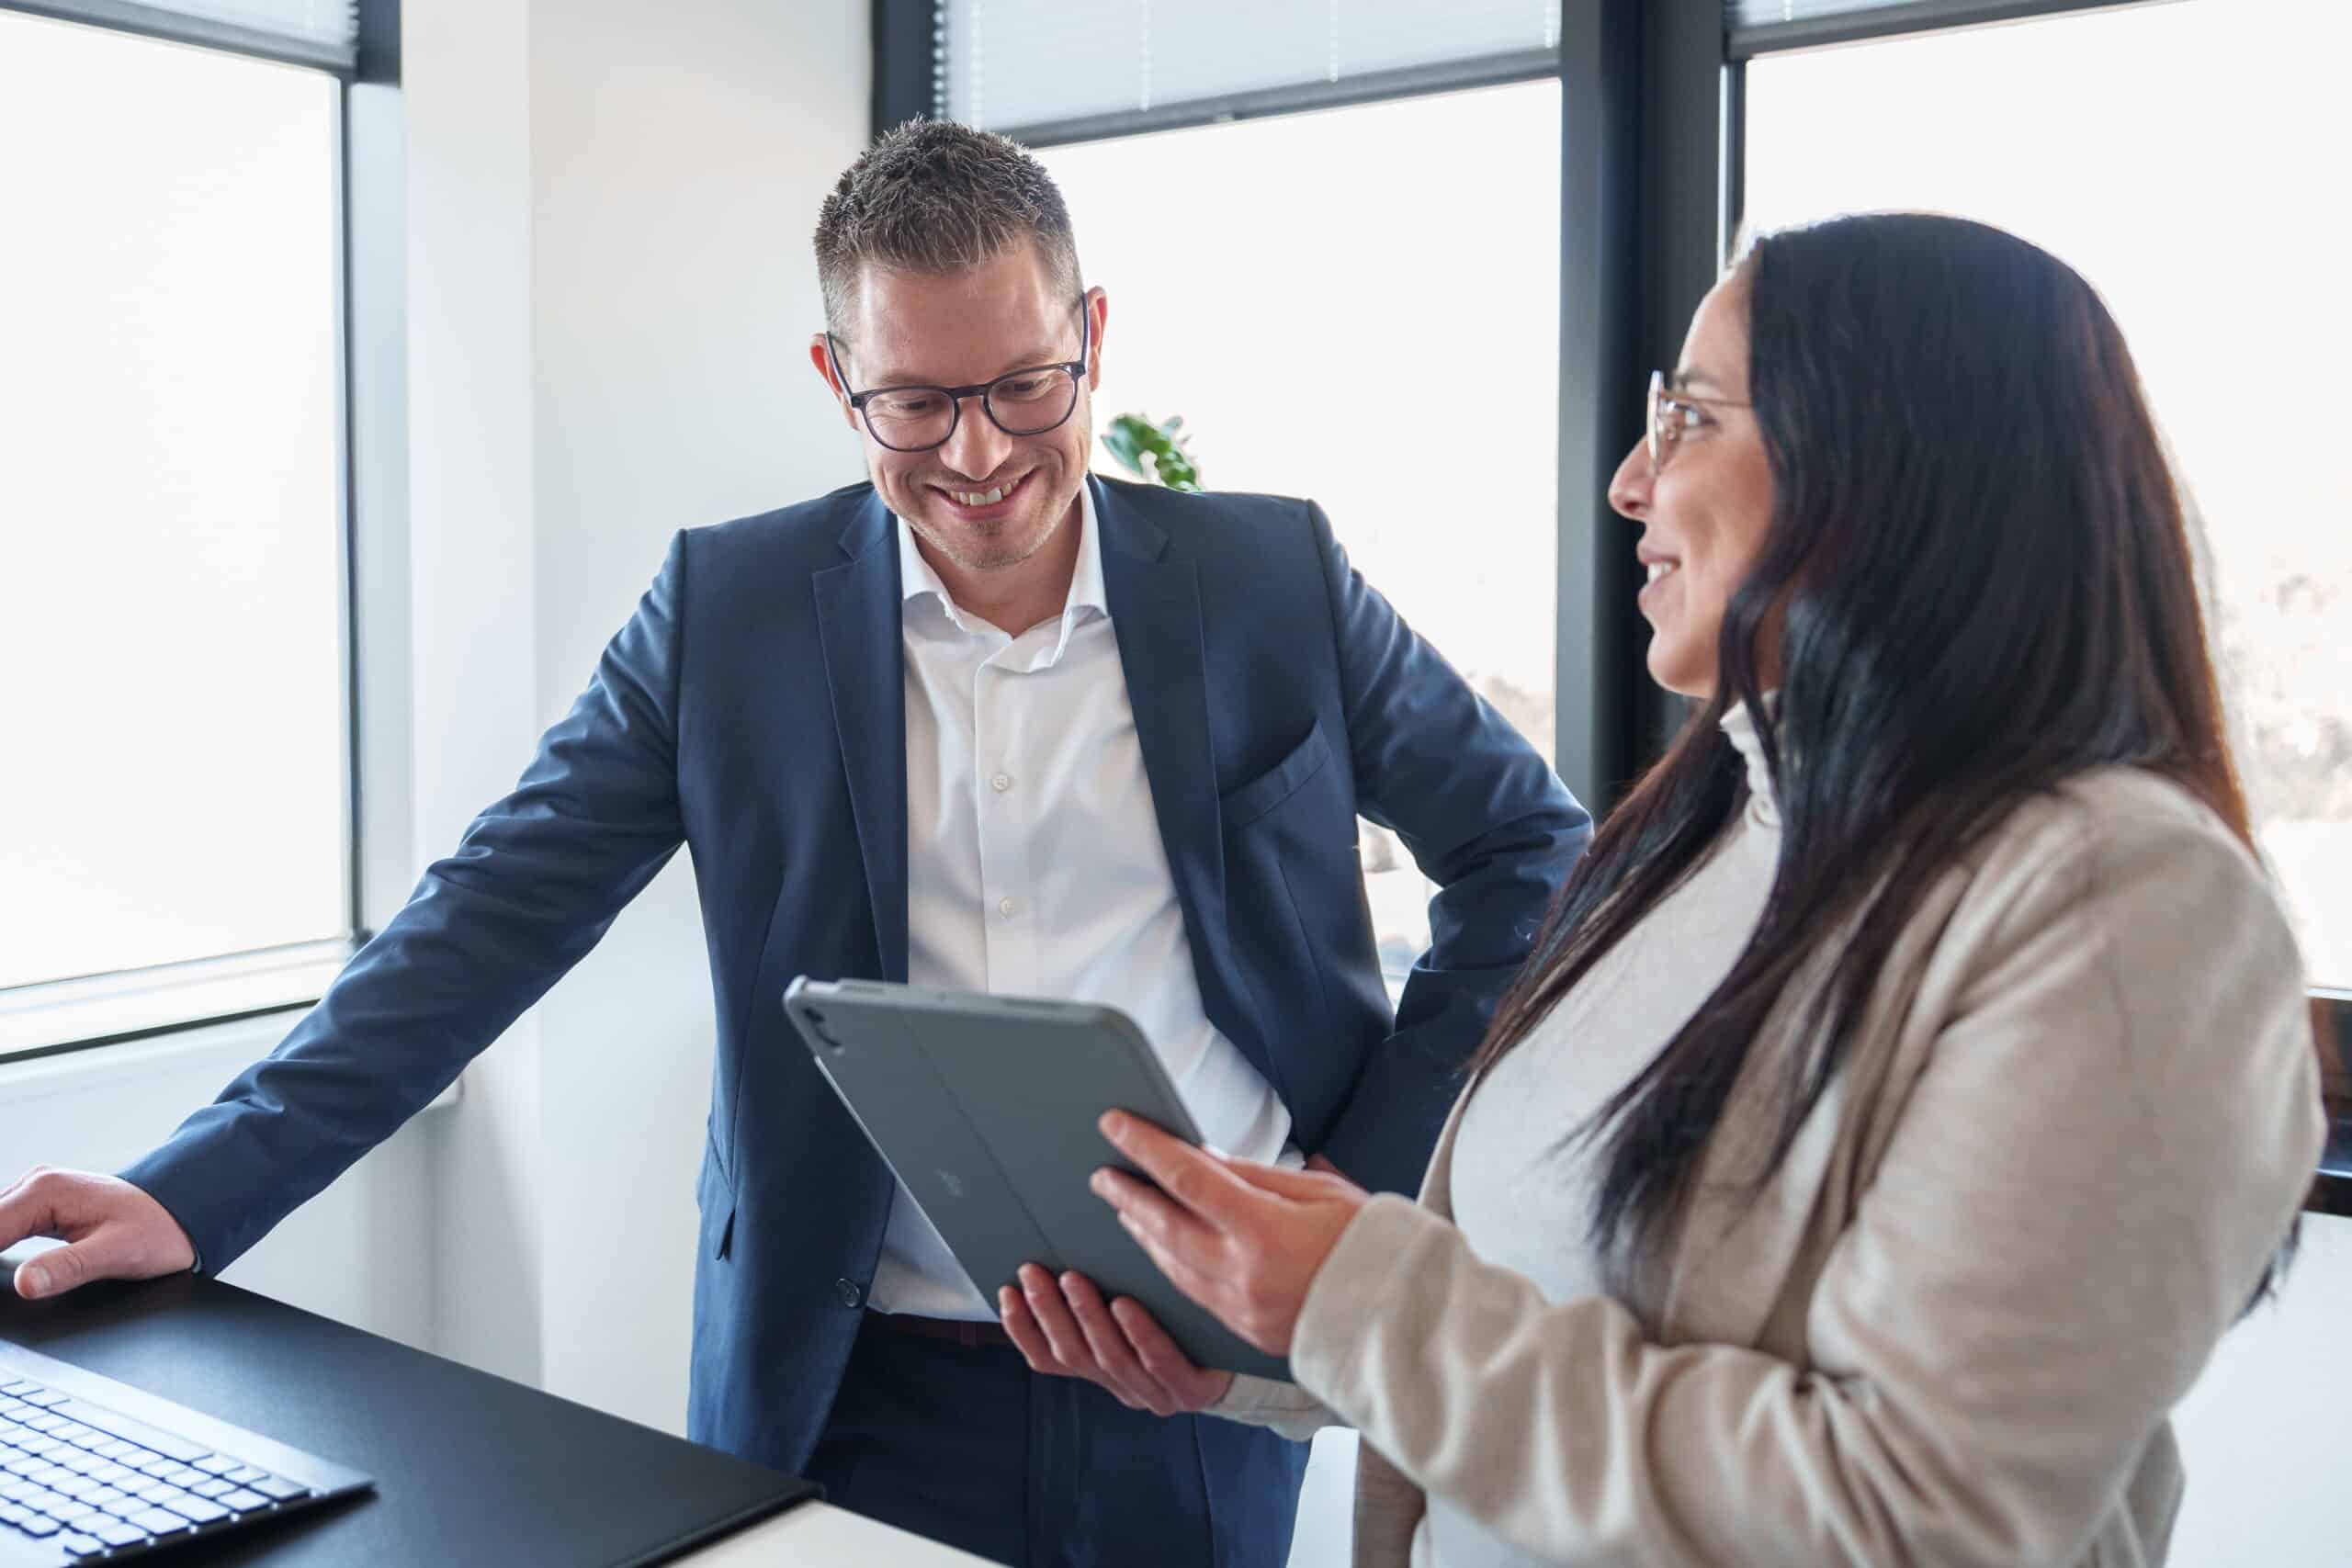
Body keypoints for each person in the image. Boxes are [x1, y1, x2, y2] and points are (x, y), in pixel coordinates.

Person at [0, 121, 1590, 1566]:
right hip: (850, 1384)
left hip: (1192, 1382)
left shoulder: (1274, 579)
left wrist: (1354, 1189)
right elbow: (484, 922)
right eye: (915, 402)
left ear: (1092, 337)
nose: (977, 456)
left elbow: (1533, 855)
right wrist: (193, 1196)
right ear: (838, 379)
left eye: (1025, 386)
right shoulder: (728, 615)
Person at [1001, 212, 2328, 1567]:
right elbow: (1534, 1310)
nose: (1632, 481)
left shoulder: (2121, 905)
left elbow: (1927, 1518)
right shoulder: (1701, 834)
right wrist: (1256, 1345)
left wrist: (1357, 1299)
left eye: (1690, 416)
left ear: (1884, 467)